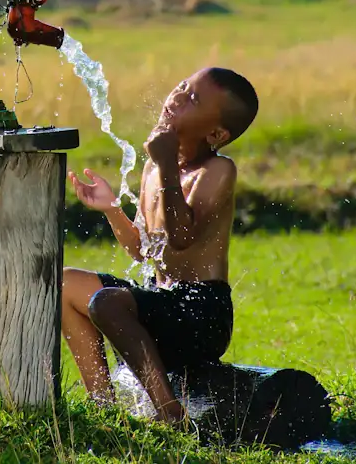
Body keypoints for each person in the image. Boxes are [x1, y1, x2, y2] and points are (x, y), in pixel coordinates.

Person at [62, 67, 258, 425]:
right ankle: (104, 409)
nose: (178, 96)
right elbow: (143, 250)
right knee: (64, 284)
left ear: (215, 133)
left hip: (200, 315)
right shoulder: (155, 169)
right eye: (182, 86)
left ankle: (169, 413)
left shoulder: (217, 171)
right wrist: (111, 209)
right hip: (160, 300)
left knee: (106, 302)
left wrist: (167, 161)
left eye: (194, 98)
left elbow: (181, 239)